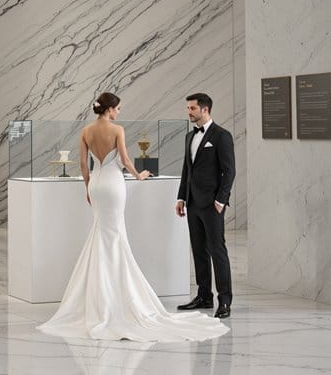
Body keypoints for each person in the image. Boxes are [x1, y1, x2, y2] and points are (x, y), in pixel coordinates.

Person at [37, 92, 229, 342]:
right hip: (114, 186)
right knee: (115, 234)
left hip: (96, 184)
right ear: (109, 109)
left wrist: (87, 186)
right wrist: (138, 175)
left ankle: (99, 294)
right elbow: (125, 160)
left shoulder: (85, 131)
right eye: (117, 109)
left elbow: (84, 165)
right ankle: (119, 292)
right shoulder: (117, 130)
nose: (119, 112)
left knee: (102, 232)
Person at [175, 93, 235, 318]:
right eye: (188, 108)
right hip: (192, 202)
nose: (189, 112)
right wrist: (181, 197)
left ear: (205, 110)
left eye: (192, 108)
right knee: (199, 251)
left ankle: (225, 301)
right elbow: (186, 170)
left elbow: (229, 171)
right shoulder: (189, 137)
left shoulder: (221, 136)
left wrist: (221, 199)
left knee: (218, 251)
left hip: (212, 204)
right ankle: (204, 296)